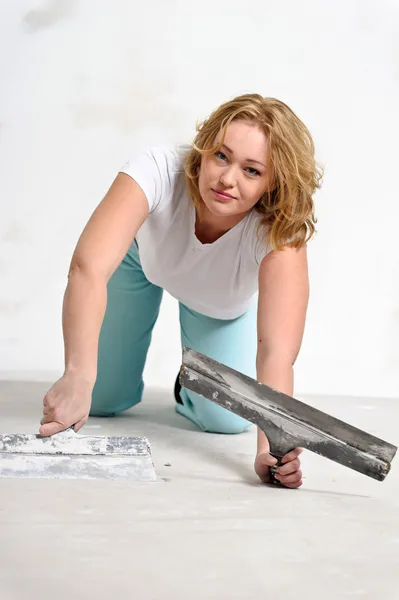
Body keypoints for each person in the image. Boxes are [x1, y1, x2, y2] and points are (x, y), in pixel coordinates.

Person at [39, 93, 322, 488]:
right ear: (205, 148)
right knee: (99, 398)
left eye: (252, 171)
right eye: (221, 156)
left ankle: (185, 385)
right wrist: (77, 374)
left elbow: (276, 350)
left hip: (216, 301)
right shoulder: (157, 169)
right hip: (141, 262)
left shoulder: (280, 229)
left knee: (225, 422)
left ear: (273, 184)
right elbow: (87, 269)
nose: (226, 179)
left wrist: (271, 450)